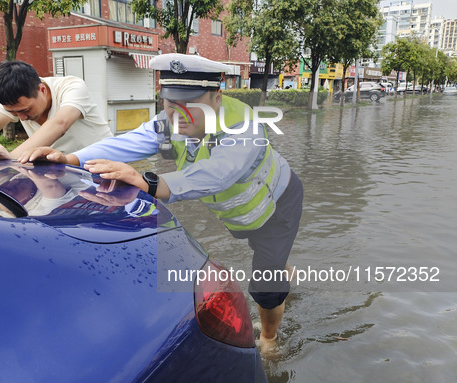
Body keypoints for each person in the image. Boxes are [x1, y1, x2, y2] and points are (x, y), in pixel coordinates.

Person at [20, 53, 303, 351]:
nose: (179, 115)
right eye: (170, 104)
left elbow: (217, 174)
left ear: (217, 98)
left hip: (277, 205)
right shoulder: (169, 122)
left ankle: (270, 339)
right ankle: (280, 264)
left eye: (191, 104)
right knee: (267, 255)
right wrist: (71, 158)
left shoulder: (244, 126)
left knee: (265, 289)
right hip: (239, 213)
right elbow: (129, 141)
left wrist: (149, 183)